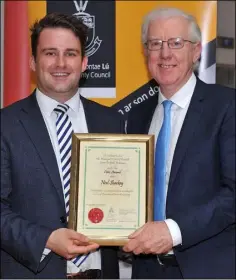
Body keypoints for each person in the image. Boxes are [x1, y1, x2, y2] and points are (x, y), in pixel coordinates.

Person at [1, 13, 126, 279]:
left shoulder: (112, 121)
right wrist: (46, 239)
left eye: (70, 53)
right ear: (33, 61)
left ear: (84, 63)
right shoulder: (5, 124)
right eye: (50, 53)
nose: (60, 63)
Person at [123, 7, 235, 279]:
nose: (165, 54)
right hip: (146, 269)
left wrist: (172, 231)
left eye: (176, 43)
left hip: (208, 270)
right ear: (145, 53)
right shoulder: (137, 116)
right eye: (155, 44)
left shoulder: (227, 106)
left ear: (196, 51)